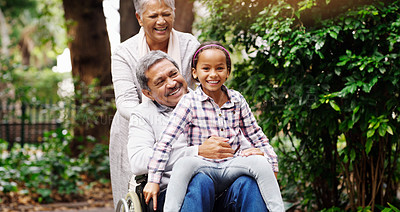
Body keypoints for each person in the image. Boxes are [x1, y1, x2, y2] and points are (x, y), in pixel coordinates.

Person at [144, 42, 285, 211]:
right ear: (195, 73)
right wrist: (153, 180)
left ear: (227, 72)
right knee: (182, 165)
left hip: (231, 165)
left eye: (219, 68)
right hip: (202, 167)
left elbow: (257, 135)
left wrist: (271, 166)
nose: (213, 74)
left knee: (261, 161)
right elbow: (165, 142)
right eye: (206, 69)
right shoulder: (189, 102)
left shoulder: (237, 100)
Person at [109, 0, 199, 208]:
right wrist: (155, 120)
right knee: (135, 200)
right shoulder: (124, 52)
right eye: (153, 16)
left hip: (183, 130)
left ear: (174, 13)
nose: (161, 21)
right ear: (139, 18)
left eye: (166, 14)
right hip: (133, 130)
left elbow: (200, 85)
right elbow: (125, 102)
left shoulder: (189, 44)